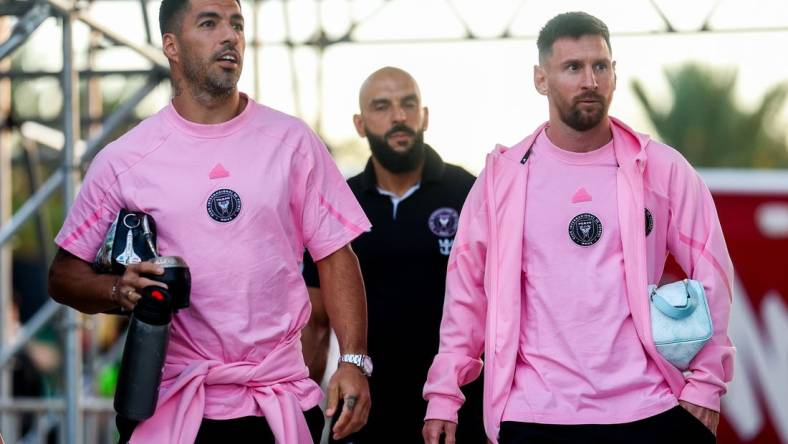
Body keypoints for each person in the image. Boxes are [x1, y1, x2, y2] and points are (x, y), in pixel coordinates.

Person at [47, 0, 372, 442]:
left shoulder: (292, 141)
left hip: (278, 400)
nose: (229, 36)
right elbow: (64, 275)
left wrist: (352, 362)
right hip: (170, 402)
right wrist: (119, 290)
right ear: (172, 45)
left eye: (236, 24)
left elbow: (337, 256)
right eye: (209, 23)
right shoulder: (125, 158)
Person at [422, 11, 734, 444]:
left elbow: (712, 271)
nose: (590, 80)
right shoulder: (502, 177)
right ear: (541, 79)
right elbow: (466, 294)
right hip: (535, 413)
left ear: (613, 73)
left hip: (649, 407)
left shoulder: (659, 168)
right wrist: (444, 393)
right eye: (573, 67)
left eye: (600, 66)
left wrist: (705, 382)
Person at [302, 67, 486, 443]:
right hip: (364, 406)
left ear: (425, 116)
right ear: (360, 123)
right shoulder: (340, 201)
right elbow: (316, 319)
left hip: (455, 407)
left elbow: (498, 309)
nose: (398, 116)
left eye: (408, 104)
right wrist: (300, 408)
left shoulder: (469, 191)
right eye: (382, 107)